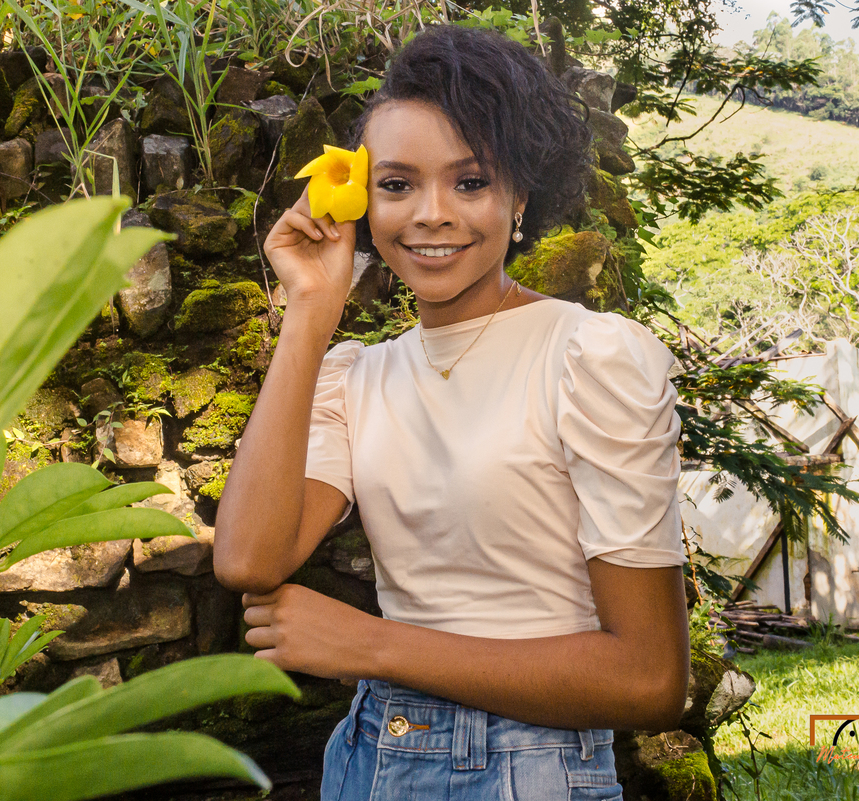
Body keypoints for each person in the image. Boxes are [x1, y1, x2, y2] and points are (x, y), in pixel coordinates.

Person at [213, 23, 690, 801]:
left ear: (520, 194)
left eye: (469, 182)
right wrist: (310, 311)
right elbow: (247, 561)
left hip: (528, 772)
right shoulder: (358, 375)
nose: (431, 214)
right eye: (397, 185)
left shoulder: (587, 356)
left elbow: (650, 678)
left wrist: (371, 644)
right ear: (361, 202)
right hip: (367, 759)